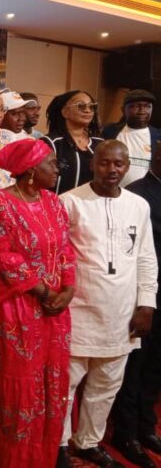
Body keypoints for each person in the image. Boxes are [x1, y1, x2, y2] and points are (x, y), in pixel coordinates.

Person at [0, 138, 77, 468]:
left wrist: (68, 289)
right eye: (51, 164)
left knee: (49, 382)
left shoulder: (54, 202)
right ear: (31, 171)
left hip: (55, 312)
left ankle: (40, 458)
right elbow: (3, 256)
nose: (57, 170)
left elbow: (65, 248)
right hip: (19, 308)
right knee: (20, 384)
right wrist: (43, 291)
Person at [60, 141, 157, 468]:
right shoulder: (69, 202)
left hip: (122, 312)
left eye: (118, 164)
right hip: (78, 310)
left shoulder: (138, 205)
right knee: (65, 386)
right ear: (93, 164)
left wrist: (146, 304)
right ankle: (59, 445)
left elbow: (146, 257)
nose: (112, 170)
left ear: (127, 165)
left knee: (106, 385)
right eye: (104, 163)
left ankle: (88, 442)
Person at [111, 140, 161, 467]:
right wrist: (145, 299)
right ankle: (125, 433)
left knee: (156, 367)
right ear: (158, 152)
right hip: (142, 294)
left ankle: (146, 427)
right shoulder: (138, 195)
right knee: (134, 367)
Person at [43, 89, 104, 195]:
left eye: (91, 106)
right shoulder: (51, 142)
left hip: (89, 203)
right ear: (65, 112)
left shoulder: (100, 144)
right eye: (81, 106)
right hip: (57, 203)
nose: (87, 110)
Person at [102, 89, 158, 187]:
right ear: (123, 109)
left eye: (147, 106)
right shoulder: (109, 132)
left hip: (145, 193)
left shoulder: (158, 137)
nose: (142, 111)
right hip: (111, 191)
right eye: (136, 106)